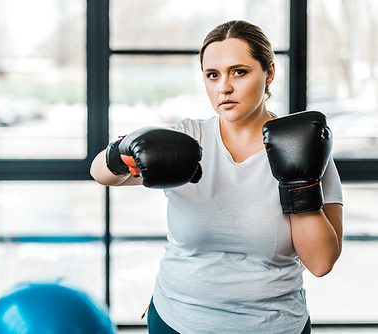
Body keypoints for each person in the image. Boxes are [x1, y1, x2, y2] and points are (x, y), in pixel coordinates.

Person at [90, 20, 343, 334]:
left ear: (269, 73)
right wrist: (121, 150)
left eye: (239, 71)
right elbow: (100, 172)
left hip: (274, 326)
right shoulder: (188, 138)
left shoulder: (303, 145)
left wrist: (298, 185)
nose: (224, 87)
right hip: (177, 320)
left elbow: (321, 263)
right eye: (213, 75)